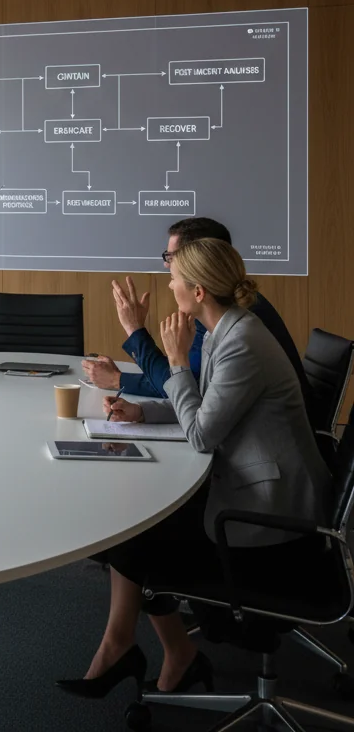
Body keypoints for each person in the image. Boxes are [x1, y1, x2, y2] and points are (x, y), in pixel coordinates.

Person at [58, 238, 330, 700]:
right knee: (134, 532)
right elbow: (206, 410)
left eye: (175, 277)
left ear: (198, 291)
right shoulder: (229, 330)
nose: (169, 284)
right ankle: (152, 650)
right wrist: (145, 414)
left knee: (134, 538)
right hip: (251, 493)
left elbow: (203, 432)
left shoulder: (241, 342)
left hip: (268, 527)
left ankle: (143, 649)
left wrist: (178, 361)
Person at [82, 217, 310, 401]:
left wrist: (122, 369)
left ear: (199, 260)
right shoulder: (224, 306)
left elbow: (185, 390)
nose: (165, 265)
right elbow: (185, 386)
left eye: (171, 257)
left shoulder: (232, 322)